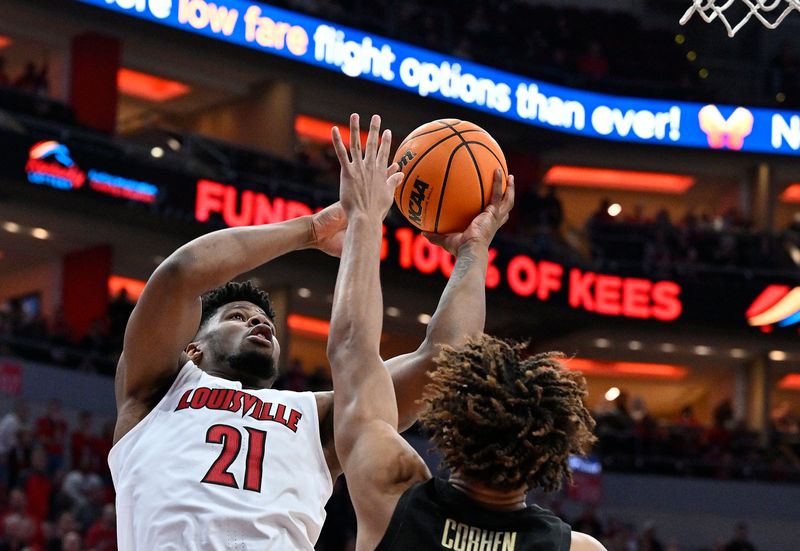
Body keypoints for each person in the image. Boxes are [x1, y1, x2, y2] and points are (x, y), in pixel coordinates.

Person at [109, 113, 489, 549]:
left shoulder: (318, 417)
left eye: (265, 322)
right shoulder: (156, 391)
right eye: (237, 317)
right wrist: (308, 230)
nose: (258, 322)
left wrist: (473, 252)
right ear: (192, 348)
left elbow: (442, 360)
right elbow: (180, 275)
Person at [327, 115, 605, 550]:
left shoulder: (392, 490)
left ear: (449, 420)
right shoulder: (575, 549)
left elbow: (352, 350)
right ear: (547, 454)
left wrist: (366, 217)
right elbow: (440, 357)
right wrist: (473, 249)